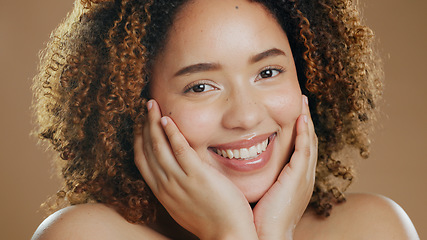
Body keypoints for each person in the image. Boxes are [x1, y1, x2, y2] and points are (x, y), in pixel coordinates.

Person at [31, 0, 419, 239]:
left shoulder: (374, 229)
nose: (246, 116)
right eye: (201, 86)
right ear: (134, 103)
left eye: (268, 73)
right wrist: (230, 235)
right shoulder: (83, 236)